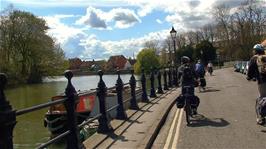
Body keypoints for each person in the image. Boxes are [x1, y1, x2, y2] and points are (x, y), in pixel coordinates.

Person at [247, 43, 266, 125]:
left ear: (255, 51)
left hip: (262, 82)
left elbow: (250, 70)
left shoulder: (254, 58)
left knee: (261, 99)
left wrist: (249, 77)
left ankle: (260, 118)